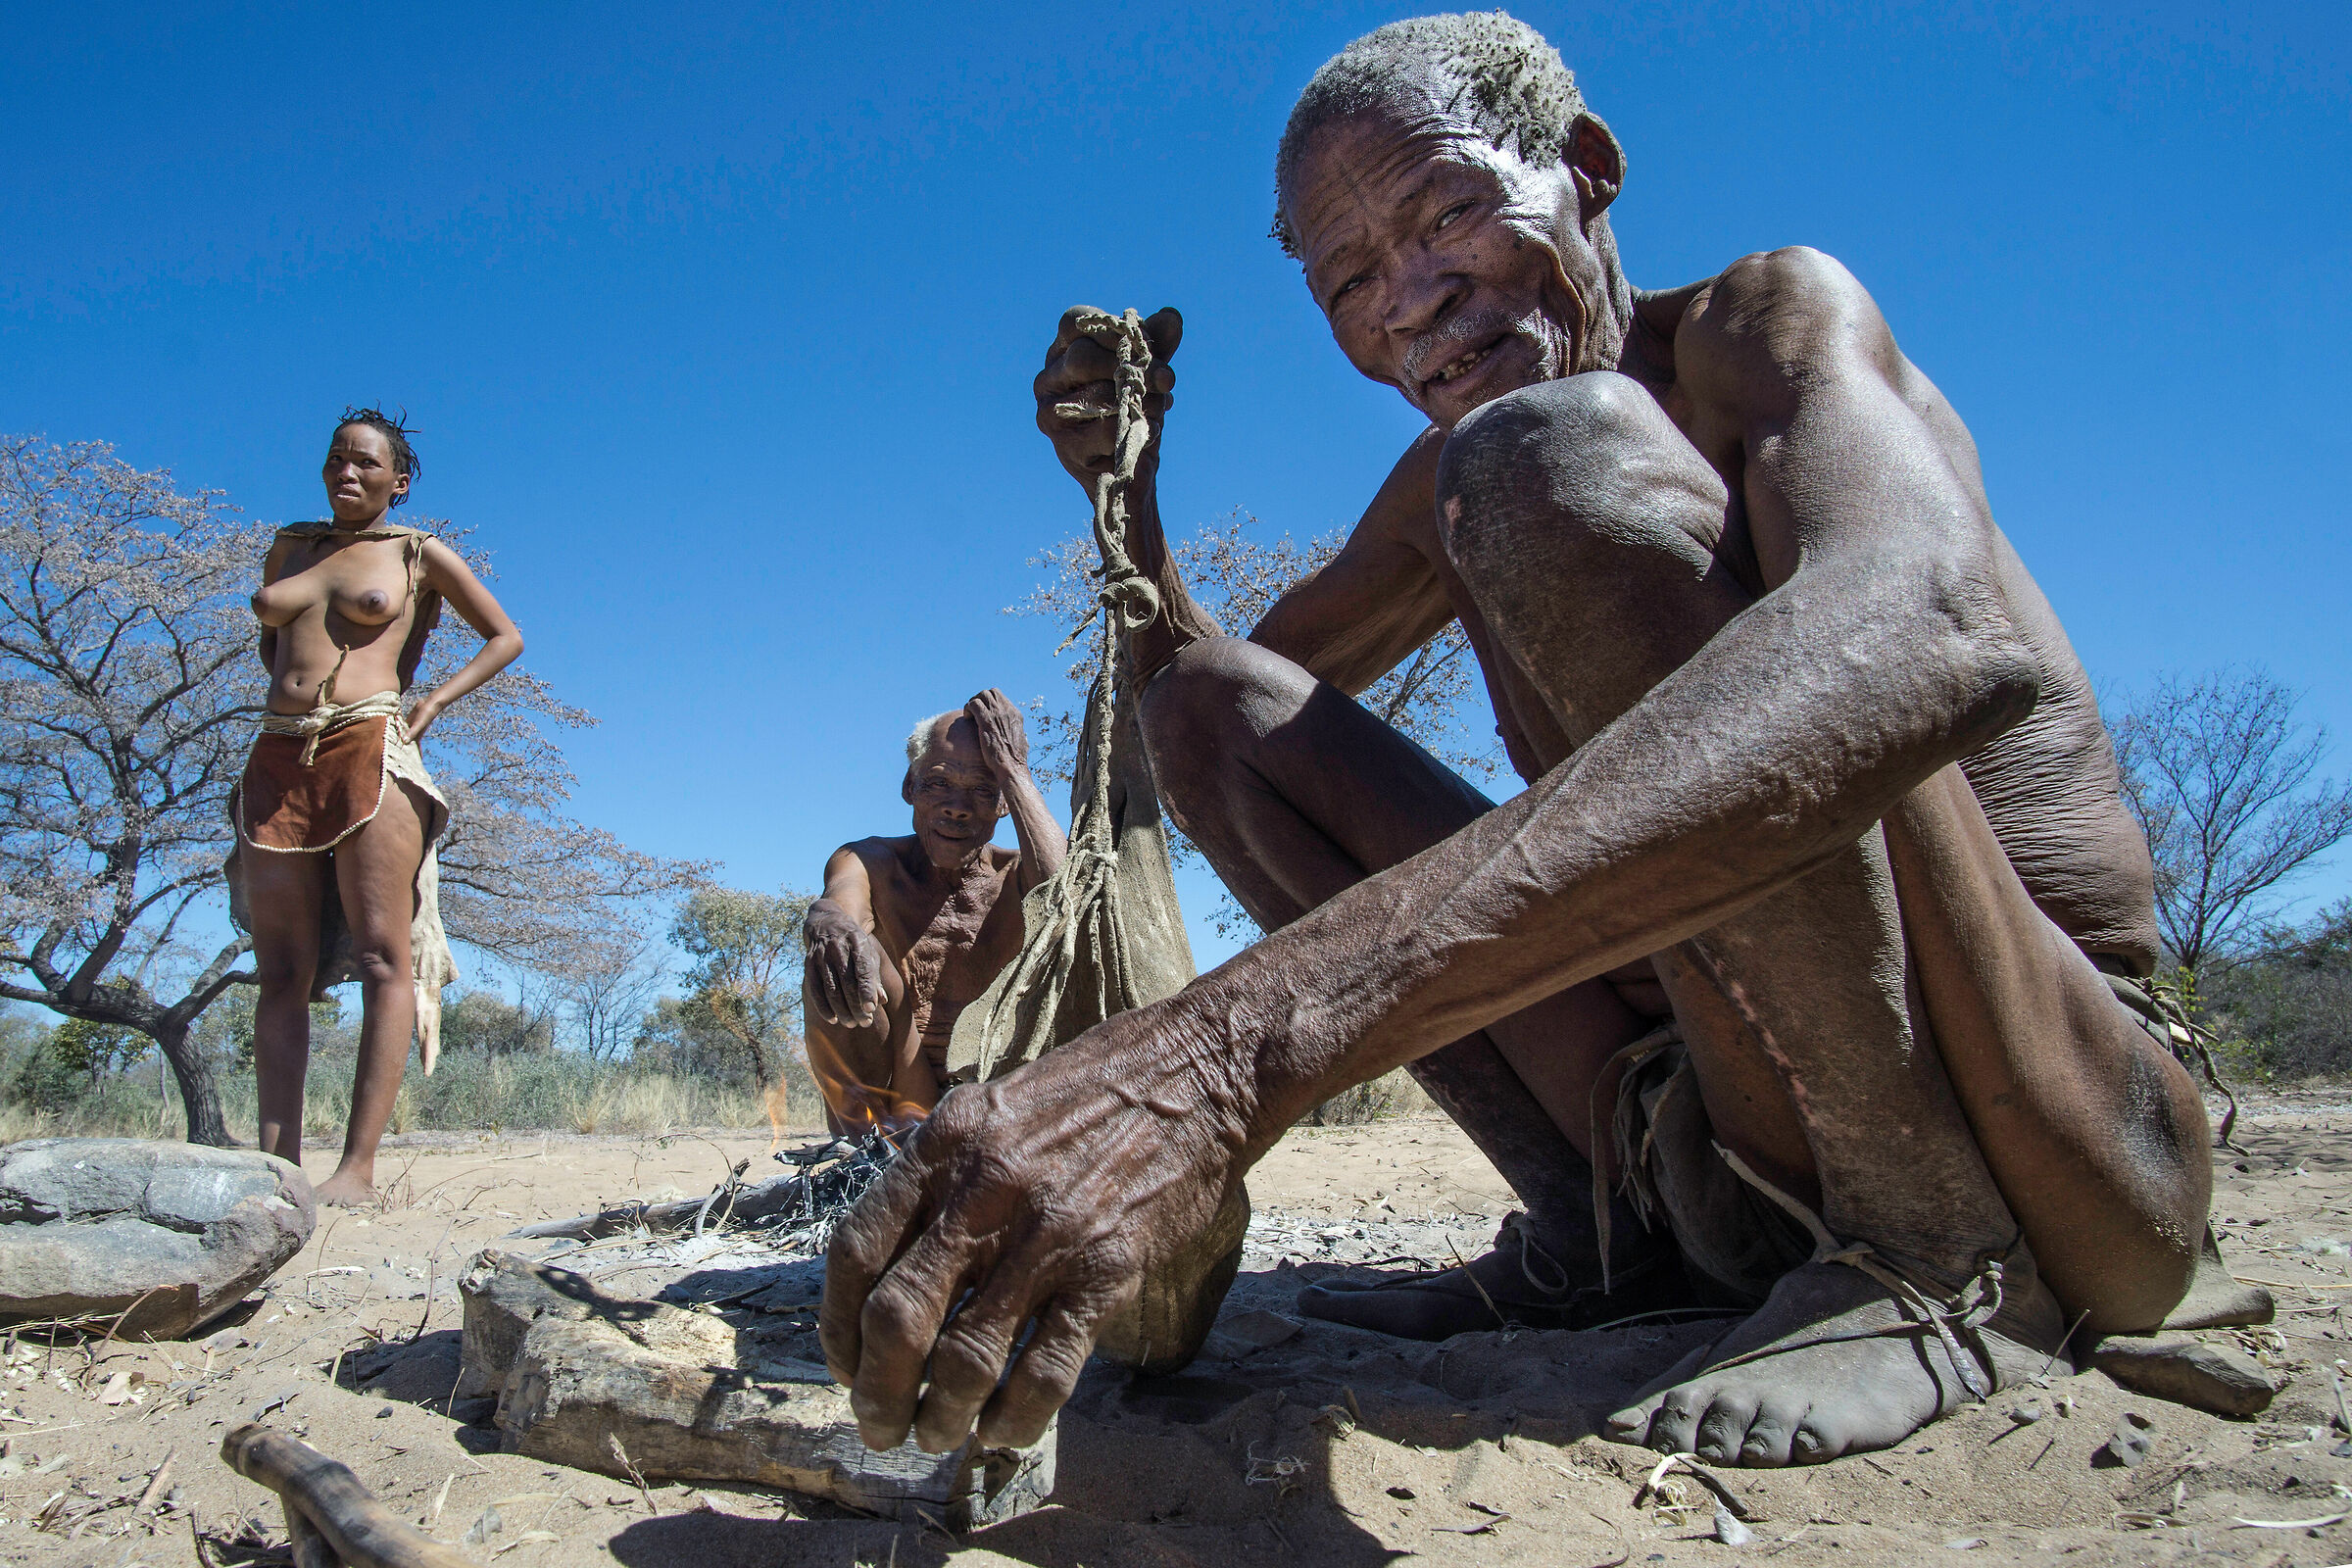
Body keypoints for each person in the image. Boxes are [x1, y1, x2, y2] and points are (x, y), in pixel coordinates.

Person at [820, 12, 2244, 1470]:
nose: (1413, 304)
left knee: (1546, 461)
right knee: (1217, 710)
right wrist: (1125, 503)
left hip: (2061, 1132)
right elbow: (1226, 697)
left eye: (1449, 216)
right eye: (1352, 280)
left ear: (1586, 167)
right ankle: (1597, 1239)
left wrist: (1223, 1056)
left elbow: (1937, 624)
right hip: (1714, 1127)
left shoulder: (1771, 328)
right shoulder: (1455, 473)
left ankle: (1930, 1260)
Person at [230, 410, 522, 1205]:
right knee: (280, 971)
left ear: (397, 481)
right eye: (335, 459)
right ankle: (275, 1172)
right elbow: (277, 651)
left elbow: (504, 637)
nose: (346, 473)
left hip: (371, 745)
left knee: (382, 958)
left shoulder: (417, 554)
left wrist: (431, 703)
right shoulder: (290, 546)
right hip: (279, 752)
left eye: (365, 463)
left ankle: (356, 1171)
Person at [803, 692, 1066, 1132]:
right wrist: (826, 920)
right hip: (898, 1096)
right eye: (938, 783)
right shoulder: (870, 861)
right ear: (910, 787)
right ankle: (876, 1151)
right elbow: (842, 909)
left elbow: (1069, 900)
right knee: (845, 948)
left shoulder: (1021, 875)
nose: (956, 808)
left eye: (983, 790)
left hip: (1002, 1097)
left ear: (1005, 803)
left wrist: (1013, 768)